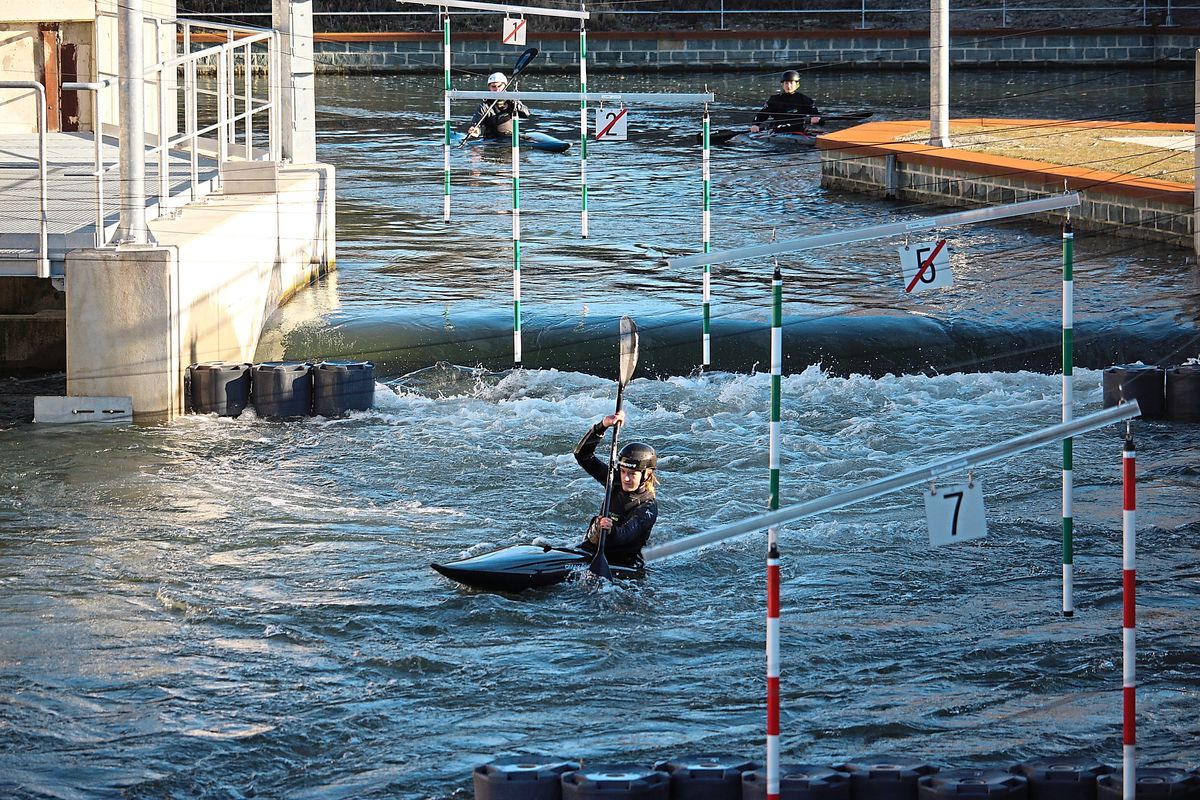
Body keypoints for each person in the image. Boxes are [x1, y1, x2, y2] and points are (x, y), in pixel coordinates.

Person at [573, 410, 659, 569]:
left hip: (622, 565)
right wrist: (602, 426)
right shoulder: (615, 481)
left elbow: (625, 535)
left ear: (647, 474)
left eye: (632, 474)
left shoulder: (648, 507)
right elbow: (582, 455)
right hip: (591, 552)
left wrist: (611, 529)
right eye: (624, 471)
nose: (626, 478)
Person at [749, 69, 820, 134]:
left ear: (797, 84)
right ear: (782, 84)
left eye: (791, 83)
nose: (789, 86)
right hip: (778, 132)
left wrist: (816, 118)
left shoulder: (804, 99)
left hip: (798, 132)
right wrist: (755, 124)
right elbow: (763, 114)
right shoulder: (774, 99)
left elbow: (817, 115)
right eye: (786, 83)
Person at [467, 72, 530, 139]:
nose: (497, 90)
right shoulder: (484, 106)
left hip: (512, 138)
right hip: (492, 139)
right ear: (489, 87)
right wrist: (475, 129)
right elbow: (476, 123)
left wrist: (515, 103)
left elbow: (526, 114)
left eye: (499, 86)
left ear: (505, 86)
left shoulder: (512, 101)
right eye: (493, 87)